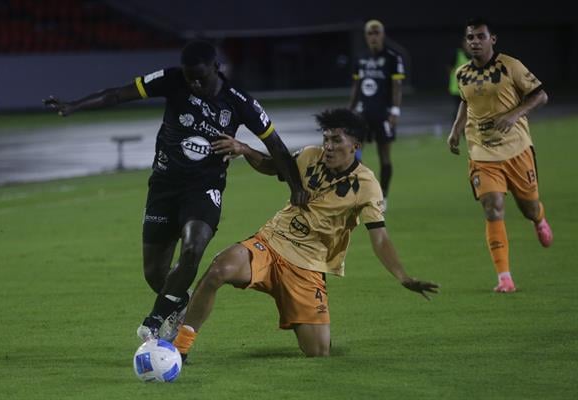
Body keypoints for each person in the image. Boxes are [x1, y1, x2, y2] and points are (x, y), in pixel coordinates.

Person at [43, 40, 309, 340]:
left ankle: (155, 321)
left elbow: (275, 145)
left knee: (193, 248)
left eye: (200, 77)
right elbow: (119, 93)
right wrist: (74, 105)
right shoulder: (172, 79)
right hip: (164, 185)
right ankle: (180, 304)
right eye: (189, 77)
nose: (194, 83)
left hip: (204, 187)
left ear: (216, 69)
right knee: (156, 274)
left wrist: (296, 186)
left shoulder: (238, 101)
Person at [174, 108, 439, 360]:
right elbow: (272, 165)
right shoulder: (310, 155)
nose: (329, 146)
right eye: (326, 139)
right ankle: (179, 348)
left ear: (355, 146)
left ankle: (310, 319)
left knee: (318, 352)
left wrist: (403, 277)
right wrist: (244, 149)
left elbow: (379, 237)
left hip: (308, 267)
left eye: (337, 140)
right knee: (219, 269)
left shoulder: (367, 186)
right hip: (271, 242)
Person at [447, 18, 552, 293]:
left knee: (528, 207)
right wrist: (456, 130)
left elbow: (541, 96)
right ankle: (504, 277)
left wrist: (514, 114)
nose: (475, 42)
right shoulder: (462, 74)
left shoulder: (511, 66)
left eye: (480, 37)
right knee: (492, 206)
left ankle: (539, 218)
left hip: (516, 149)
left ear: (492, 39)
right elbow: (465, 102)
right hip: (482, 151)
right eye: (470, 37)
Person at [348, 19, 405, 210]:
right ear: (366, 36)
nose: (373, 36)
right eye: (370, 33)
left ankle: (384, 197)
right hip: (363, 114)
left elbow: (397, 86)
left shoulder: (393, 58)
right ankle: (367, 191)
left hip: (383, 114)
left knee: (385, 157)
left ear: (383, 34)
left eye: (377, 32)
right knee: (354, 154)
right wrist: (350, 111)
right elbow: (356, 87)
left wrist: (395, 111)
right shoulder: (361, 58)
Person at [447, 39, 470, 121]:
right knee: (459, 109)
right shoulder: (457, 54)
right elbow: (449, 68)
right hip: (456, 88)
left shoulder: (475, 55)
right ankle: (456, 128)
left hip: (469, 88)